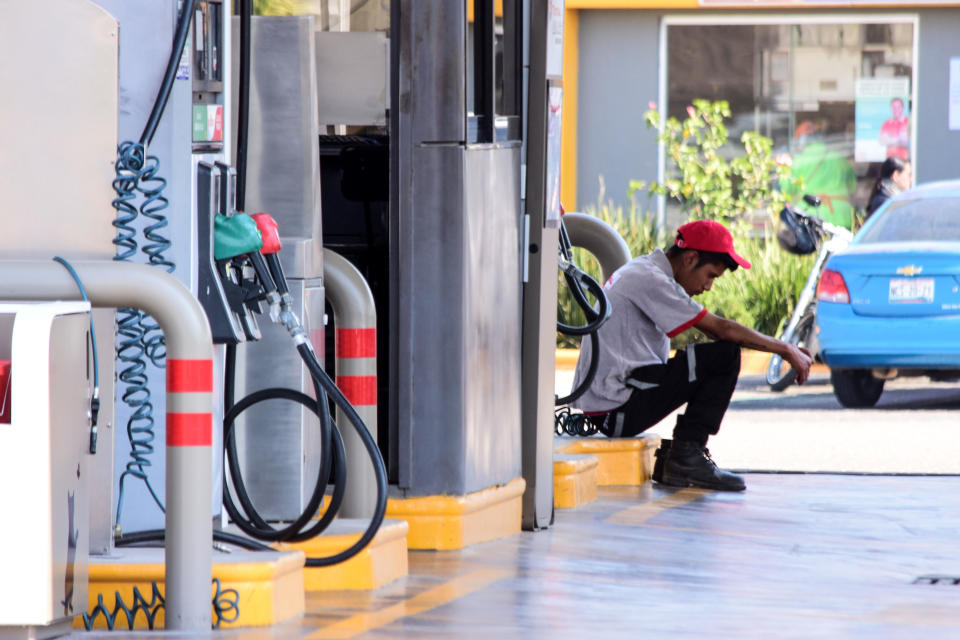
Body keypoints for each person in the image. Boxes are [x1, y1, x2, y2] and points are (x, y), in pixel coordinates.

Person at [571, 220, 813, 492]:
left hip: (612, 405)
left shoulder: (645, 269)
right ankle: (686, 455)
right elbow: (722, 330)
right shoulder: (651, 279)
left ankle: (680, 456)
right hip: (616, 410)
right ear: (690, 258)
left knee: (715, 354)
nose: (709, 286)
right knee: (724, 356)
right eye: (710, 275)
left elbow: (714, 332)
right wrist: (786, 349)